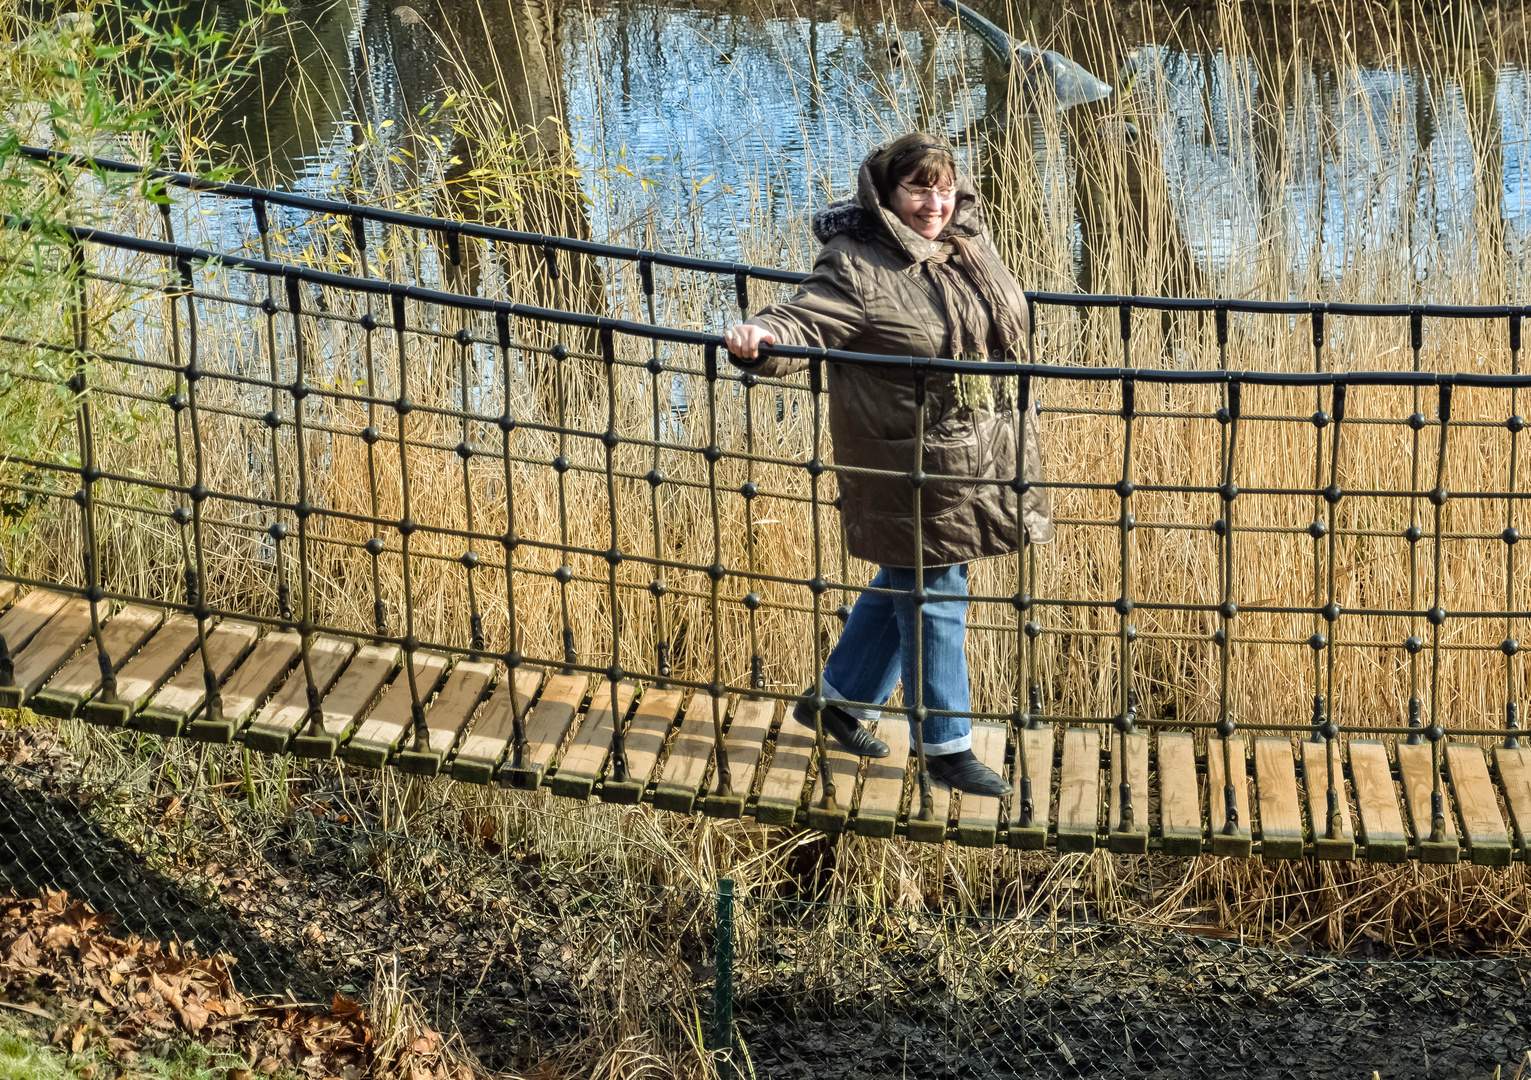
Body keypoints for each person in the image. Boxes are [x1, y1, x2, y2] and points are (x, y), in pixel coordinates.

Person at [723, 133, 1054, 797]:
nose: (934, 202)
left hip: (978, 444)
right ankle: (946, 746)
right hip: (907, 456)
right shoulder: (856, 263)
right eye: (916, 189)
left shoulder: (966, 239)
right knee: (934, 585)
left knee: (920, 570)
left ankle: (838, 701)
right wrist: (760, 341)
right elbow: (805, 320)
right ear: (885, 196)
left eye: (942, 186)